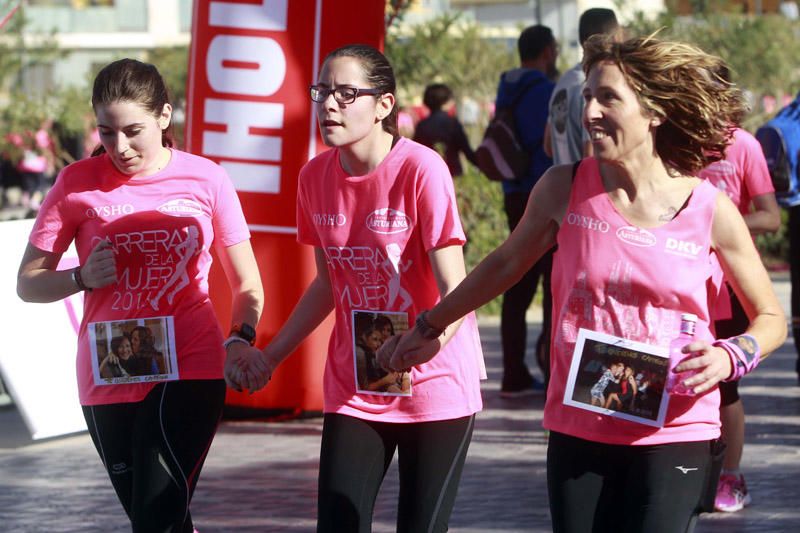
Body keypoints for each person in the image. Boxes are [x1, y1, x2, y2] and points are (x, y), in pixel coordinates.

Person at [377, 34, 787, 532]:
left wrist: (730, 355)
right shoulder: (563, 188)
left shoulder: (710, 210)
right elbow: (505, 264)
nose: (589, 111)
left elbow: (771, 319)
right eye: (587, 97)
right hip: (581, 422)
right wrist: (431, 325)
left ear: (654, 111)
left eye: (608, 98)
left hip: (677, 425)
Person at [228, 44, 485, 532]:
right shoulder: (313, 177)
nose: (328, 105)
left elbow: (458, 288)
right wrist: (271, 354)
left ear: (384, 105)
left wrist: (422, 342)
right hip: (356, 382)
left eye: (346, 94)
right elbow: (328, 284)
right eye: (322, 91)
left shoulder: (421, 170)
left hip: (436, 385)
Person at [16, 58, 264, 532]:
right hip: (110, 369)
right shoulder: (76, 183)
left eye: (134, 130)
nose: (121, 147)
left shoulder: (207, 178)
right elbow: (29, 283)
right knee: (158, 519)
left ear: (165, 117)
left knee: (156, 517)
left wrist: (239, 337)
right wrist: (81, 277)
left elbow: (248, 283)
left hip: (190, 364)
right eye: (107, 133)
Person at [699, 124, 781, 512]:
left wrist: (720, 225)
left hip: (728, 282)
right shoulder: (678, 140)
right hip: (684, 277)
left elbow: (770, 218)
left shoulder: (744, 145)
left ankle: (731, 476)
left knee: (725, 386)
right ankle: (689, 472)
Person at [494, 24, 558, 397]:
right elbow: (545, 143)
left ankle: (513, 372)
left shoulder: (507, 86)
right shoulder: (546, 91)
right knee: (552, 282)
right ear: (548, 51)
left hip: (511, 192)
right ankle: (553, 373)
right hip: (541, 193)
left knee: (515, 281)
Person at [544, 7, 620, 165]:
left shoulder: (564, 81)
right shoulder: (593, 85)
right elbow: (591, 153)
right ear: (615, 38)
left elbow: (548, 147)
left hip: (563, 185)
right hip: (586, 187)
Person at [413, 83, 478, 177]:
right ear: (447, 101)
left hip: (429, 174)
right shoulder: (453, 123)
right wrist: (481, 165)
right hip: (452, 172)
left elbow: (417, 152)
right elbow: (466, 149)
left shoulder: (422, 125)